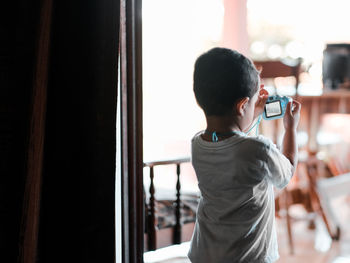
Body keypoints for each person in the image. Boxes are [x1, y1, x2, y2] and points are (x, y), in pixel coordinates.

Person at [187, 47, 301, 263]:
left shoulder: (197, 144)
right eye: (254, 99)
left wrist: (253, 110)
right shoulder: (259, 149)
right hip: (247, 258)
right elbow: (286, 172)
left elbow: (233, 145)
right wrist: (291, 129)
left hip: (205, 255)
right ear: (242, 105)